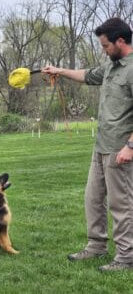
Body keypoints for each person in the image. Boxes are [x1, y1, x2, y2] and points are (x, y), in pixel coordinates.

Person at [42, 17, 133, 272]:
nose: (103, 50)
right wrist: (59, 71)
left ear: (121, 41)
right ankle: (96, 246)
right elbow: (86, 75)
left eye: (105, 46)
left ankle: (126, 257)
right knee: (92, 198)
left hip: (121, 148)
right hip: (101, 146)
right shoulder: (111, 66)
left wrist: (130, 146)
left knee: (121, 204)